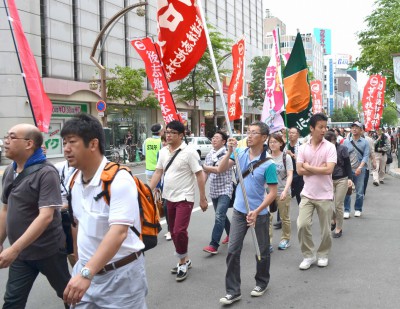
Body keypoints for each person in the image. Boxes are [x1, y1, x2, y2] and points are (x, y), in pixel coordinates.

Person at [61, 114, 148, 308]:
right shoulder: (73, 179)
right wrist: (78, 264)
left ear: (93, 144)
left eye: (72, 142)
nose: (66, 149)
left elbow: (118, 232)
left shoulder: (120, 180)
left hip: (121, 278)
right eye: (64, 142)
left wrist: (86, 273)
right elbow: (77, 224)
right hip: (86, 272)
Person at [0, 124, 70, 309]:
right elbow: (5, 210)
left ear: (29, 143)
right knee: (12, 302)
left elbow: (46, 216)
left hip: (48, 251)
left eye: (12, 137)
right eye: (6, 136)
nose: (5, 142)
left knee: (69, 295)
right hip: (22, 255)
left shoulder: (46, 172)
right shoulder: (9, 171)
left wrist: (13, 249)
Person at [213, 121, 277, 305]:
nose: (249, 136)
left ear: (264, 138)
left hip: (260, 214)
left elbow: (272, 193)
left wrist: (257, 211)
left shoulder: (269, 164)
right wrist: (229, 151)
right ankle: (233, 291)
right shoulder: (240, 153)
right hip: (240, 212)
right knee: (233, 251)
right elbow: (221, 168)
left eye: (254, 133)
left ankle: (262, 282)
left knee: (262, 250)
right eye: (248, 132)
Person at [149, 120, 208, 282]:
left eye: (172, 132)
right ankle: (185, 258)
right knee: (174, 232)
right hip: (169, 197)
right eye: (167, 132)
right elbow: (158, 172)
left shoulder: (189, 152)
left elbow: (199, 175)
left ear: (181, 135)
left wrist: (202, 198)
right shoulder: (163, 152)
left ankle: (182, 262)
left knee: (179, 230)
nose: (168, 135)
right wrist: (147, 192)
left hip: (185, 197)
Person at [296, 113, 337, 270]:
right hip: (307, 193)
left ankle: (323, 254)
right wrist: (316, 168)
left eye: (325, 127)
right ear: (311, 128)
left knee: (326, 229)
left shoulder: (330, 147)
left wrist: (308, 167)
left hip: (325, 195)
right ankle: (308, 255)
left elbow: (329, 170)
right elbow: (299, 171)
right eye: (320, 127)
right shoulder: (302, 147)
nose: (323, 130)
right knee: (302, 225)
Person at [201, 131, 233, 254]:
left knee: (219, 216)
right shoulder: (210, 154)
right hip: (214, 189)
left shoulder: (228, 153)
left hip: (226, 188)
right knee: (222, 215)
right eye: (213, 137)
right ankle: (231, 234)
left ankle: (213, 244)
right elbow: (206, 173)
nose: (213, 139)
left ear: (223, 141)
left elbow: (220, 169)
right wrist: (201, 186)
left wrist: (205, 167)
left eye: (217, 138)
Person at [324, 131, 352, 238]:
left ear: (335, 140)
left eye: (329, 142)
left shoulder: (342, 149)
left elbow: (348, 165)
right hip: (328, 179)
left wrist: (350, 178)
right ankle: (334, 219)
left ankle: (339, 228)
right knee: (328, 204)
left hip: (342, 178)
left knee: (338, 204)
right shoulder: (323, 149)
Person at [268, 133, 293, 250]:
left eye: (275, 142)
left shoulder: (285, 157)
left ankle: (285, 239)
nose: (272, 144)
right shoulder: (266, 157)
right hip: (268, 193)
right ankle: (268, 242)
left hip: (282, 191)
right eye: (270, 142)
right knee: (267, 218)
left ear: (281, 143)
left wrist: (286, 190)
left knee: (284, 217)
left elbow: (290, 175)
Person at [343, 121, 370, 218]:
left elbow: (366, 156)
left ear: (361, 130)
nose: (354, 129)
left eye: (356, 127)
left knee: (359, 191)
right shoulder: (346, 141)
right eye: (352, 127)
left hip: (360, 170)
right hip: (348, 170)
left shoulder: (365, 142)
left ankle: (358, 209)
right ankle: (346, 210)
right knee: (347, 190)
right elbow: (344, 156)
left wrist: (360, 167)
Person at [286, 127, 304, 205]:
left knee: (299, 198)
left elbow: (303, 161)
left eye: (293, 133)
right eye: (289, 132)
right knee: (284, 198)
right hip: (287, 174)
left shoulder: (302, 146)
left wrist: (292, 155)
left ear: (298, 135)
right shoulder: (285, 146)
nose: (291, 135)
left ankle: (302, 216)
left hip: (299, 175)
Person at [362, 127, 376, 195]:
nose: (355, 129)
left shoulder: (369, 140)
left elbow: (372, 151)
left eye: (358, 128)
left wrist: (374, 161)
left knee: (364, 181)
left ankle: (362, 193)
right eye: (353, 127)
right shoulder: (349, 139)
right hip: (354, 166)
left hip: (366, 164)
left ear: (363, 130)